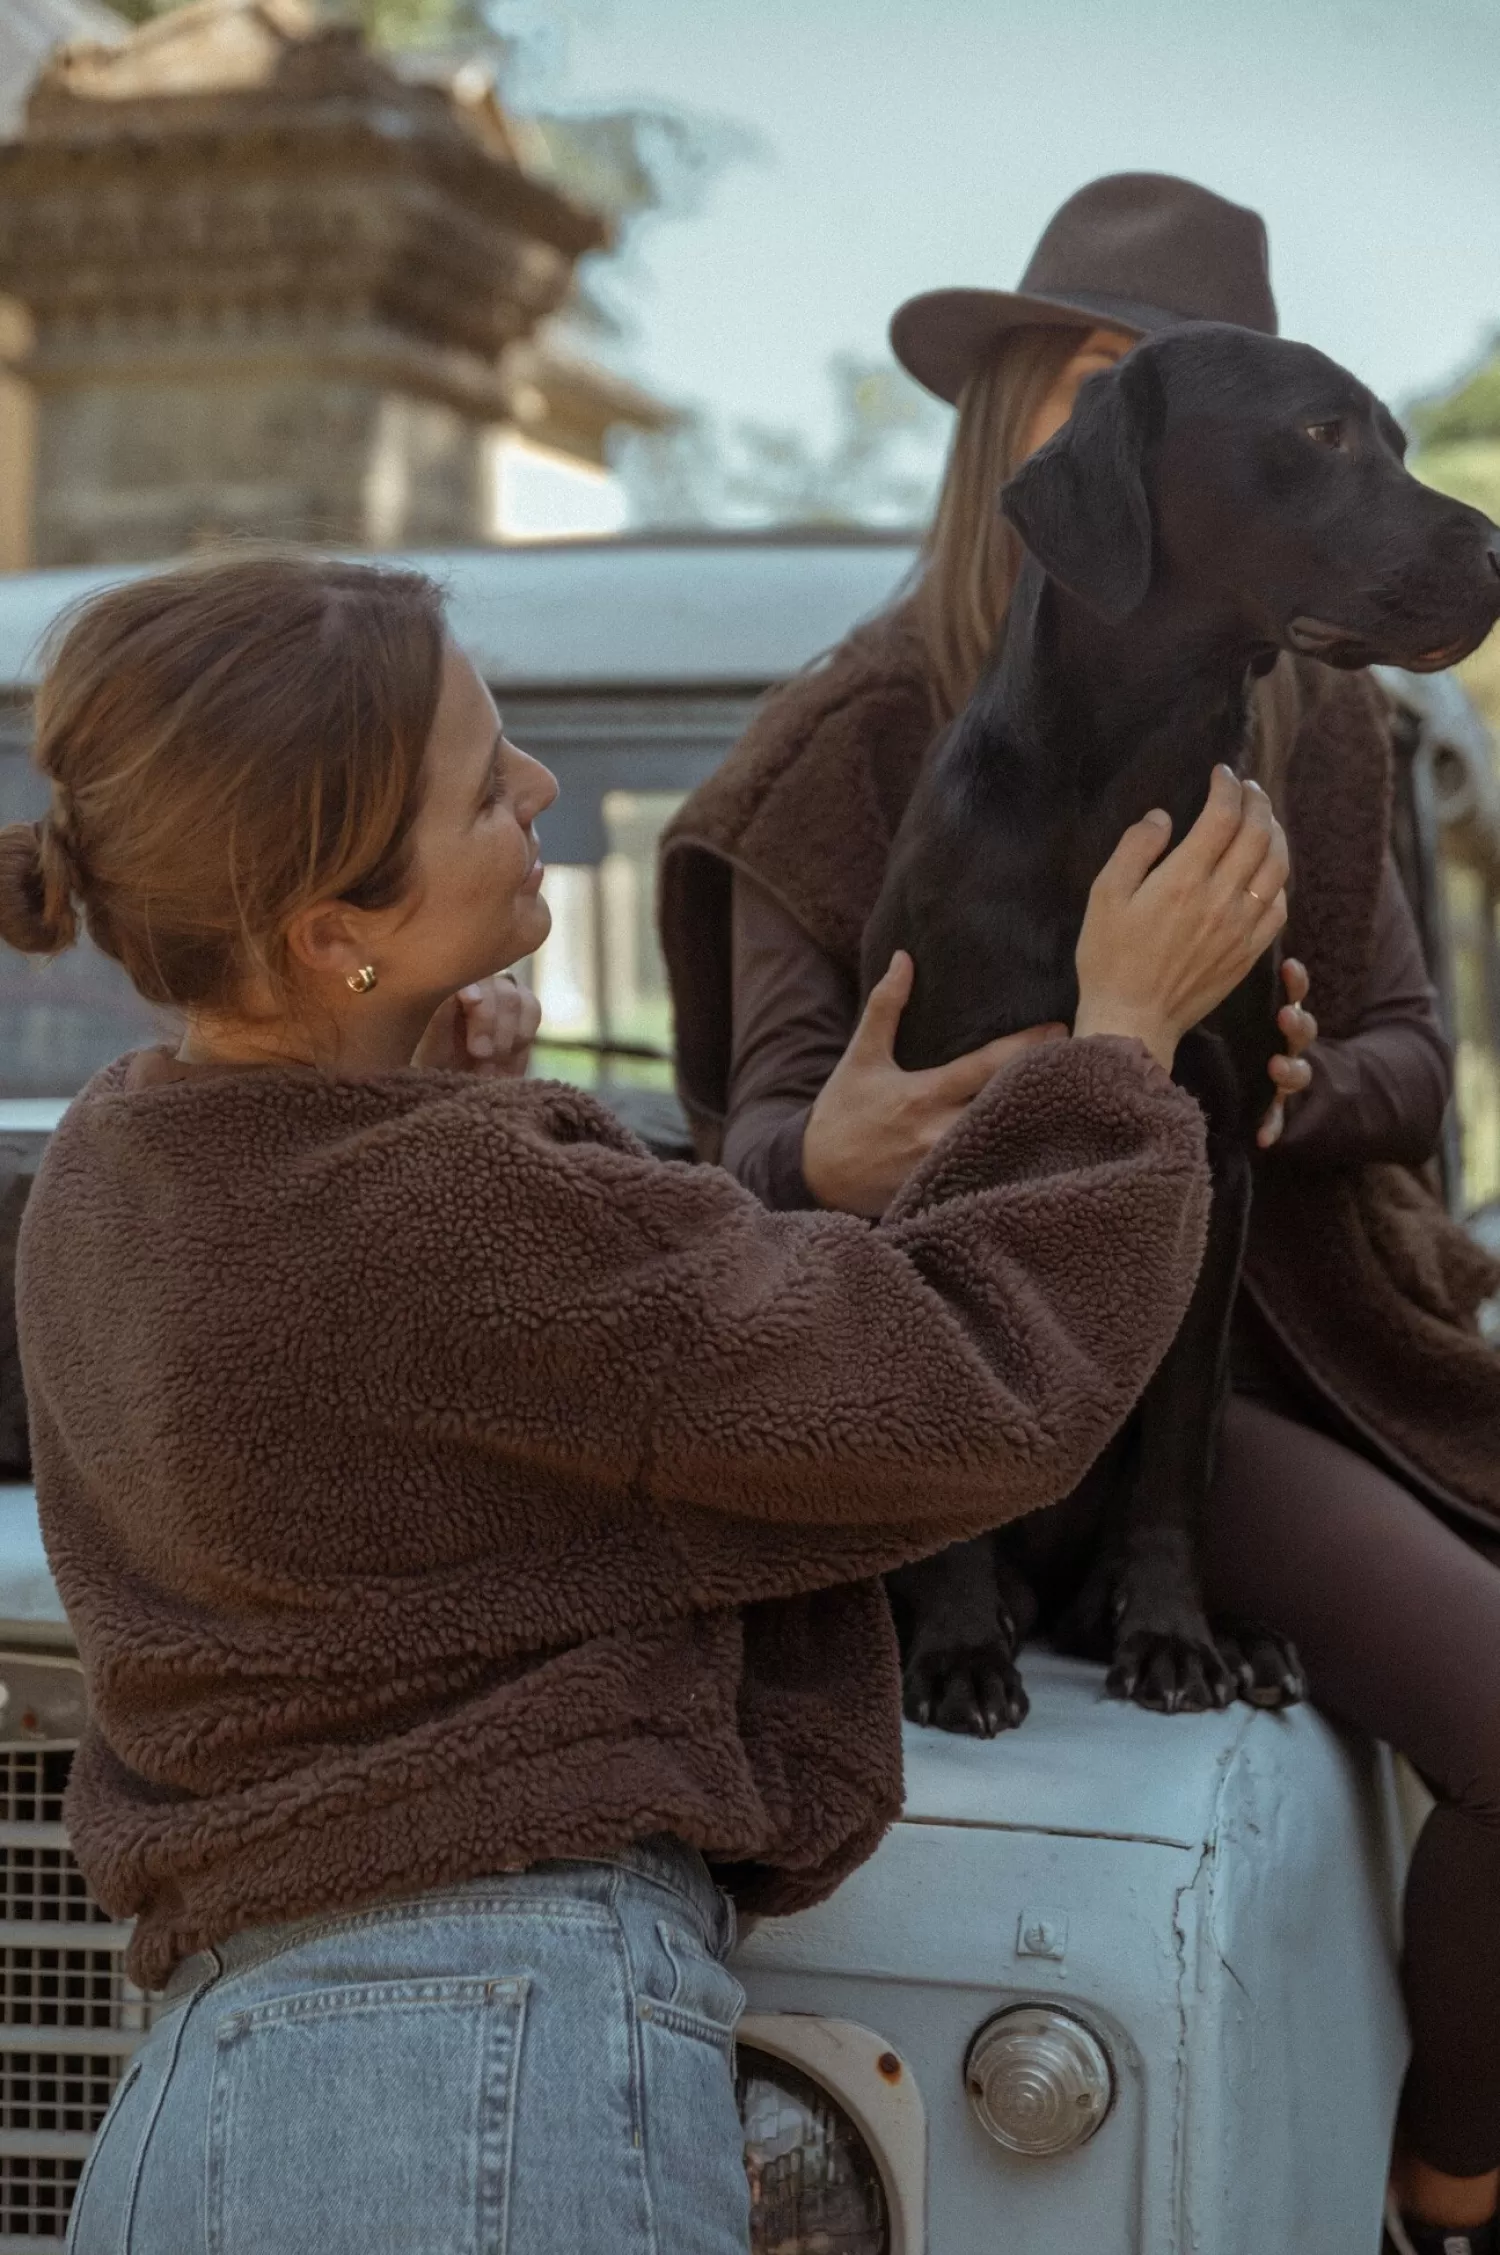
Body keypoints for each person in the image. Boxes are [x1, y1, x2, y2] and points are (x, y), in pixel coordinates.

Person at [0, 553, 1284, 2255]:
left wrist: (466, 1094)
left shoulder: (108, 1170)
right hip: (493, 2085)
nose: (534, 790)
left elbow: (413, 1423)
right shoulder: (475, 1223)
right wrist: (1118, 1048)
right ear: (334, 933)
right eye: (483, 786)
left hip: (195, 2108)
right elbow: (969, 1383)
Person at [659, 173, 1500, 2255]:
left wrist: (1294, 1077)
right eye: (1106, 368)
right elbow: (755, 1139)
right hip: (922, 1387)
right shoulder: (850, 741)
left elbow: (1408, 1058)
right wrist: (837, 1148)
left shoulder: (1308, 720)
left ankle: (1447, 2193)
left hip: (1233, 1379)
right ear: (1035, 421)